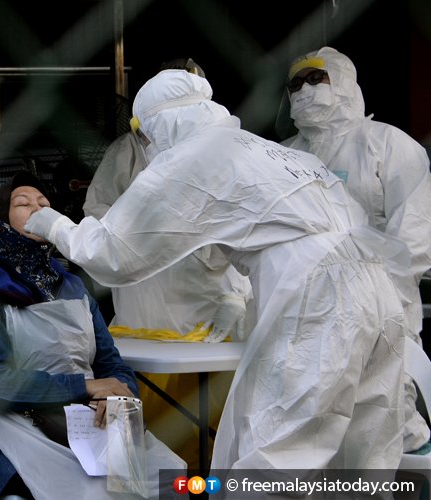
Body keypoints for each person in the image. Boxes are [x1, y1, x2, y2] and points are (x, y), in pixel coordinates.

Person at [24, 69, 410, 471]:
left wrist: (52, 223)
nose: (147, 144)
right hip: (376, 286)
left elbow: (114, 253)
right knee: (364, 449)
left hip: (315, 296)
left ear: (161, 123)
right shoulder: (269, 149)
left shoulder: (191, 157)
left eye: (146, 133)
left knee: (278, 449)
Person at [0, 171, 186, 499]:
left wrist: (119, 395)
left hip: (88, 426)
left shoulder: (71, 286)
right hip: (13, 429)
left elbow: (110, 362)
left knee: (173, 481)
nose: (37, 209)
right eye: (23, 204)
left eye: (44, 203)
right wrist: (85, 386)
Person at [282, 46, 431, 453]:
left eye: (317, 78)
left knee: (387, 412)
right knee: (316, 421)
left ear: (344, 81)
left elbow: (414, 231)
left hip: (383, 300)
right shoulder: (286, 155)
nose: (305, 90)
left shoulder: (386, 144)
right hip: (308, 305)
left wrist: (383, 292)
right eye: (296, 84)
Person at [84, 57, 250, 342]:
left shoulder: (225, 150)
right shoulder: (128, 151)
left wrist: (237, 293)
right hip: (145, 292)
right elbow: (97, 209)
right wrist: (137, 231)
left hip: (208, 294)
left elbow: (247, 225)